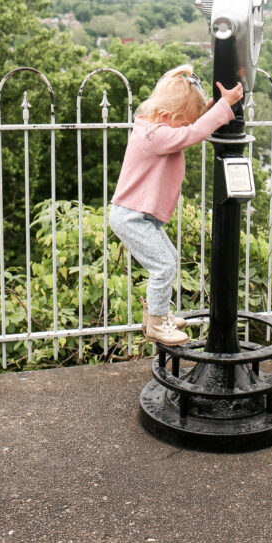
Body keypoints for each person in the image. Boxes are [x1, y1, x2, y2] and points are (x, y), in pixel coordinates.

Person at [109, 65, 243, 346]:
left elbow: (191, 126)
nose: (186, 128)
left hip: (138, 215)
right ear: (168, 117)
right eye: (183, 122)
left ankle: (155, 314)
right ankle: (157, 324)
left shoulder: (154, 125)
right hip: (132, 217)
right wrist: (225, 107)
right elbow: (191, 133)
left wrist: (208, 110)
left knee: (167, 258)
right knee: (163, 266)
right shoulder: (153, 137)